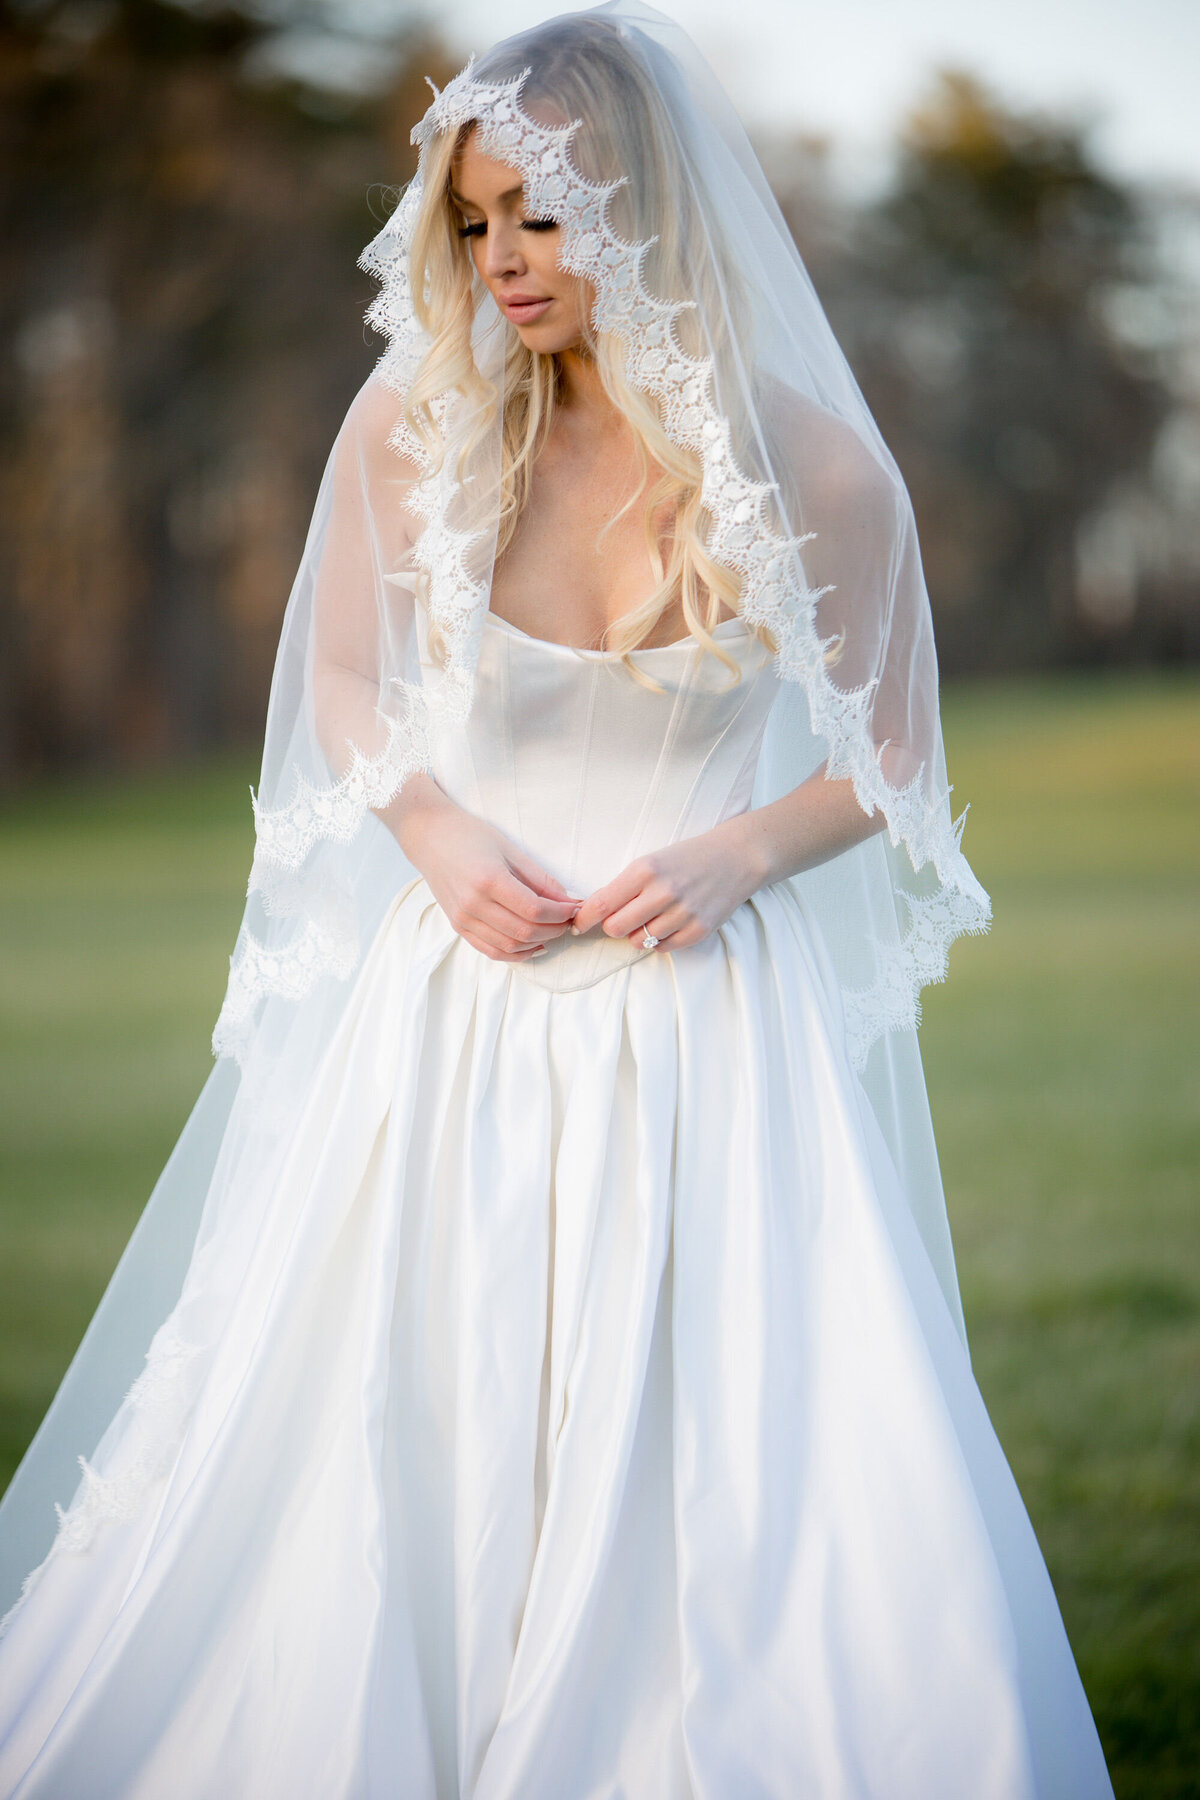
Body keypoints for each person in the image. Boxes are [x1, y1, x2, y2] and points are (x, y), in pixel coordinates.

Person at [0, 4, 1114, 1795]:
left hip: (704, 1039)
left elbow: (893, 762)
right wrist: (432, 833)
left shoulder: (812, 471)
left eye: (542, 213)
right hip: (448, 1022)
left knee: (727, 1468)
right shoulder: (419, 431)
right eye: (473, 220)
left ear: (649, 214)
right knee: (393, 1442)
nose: (503, 260)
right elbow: (348, 685)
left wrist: (738, 850)